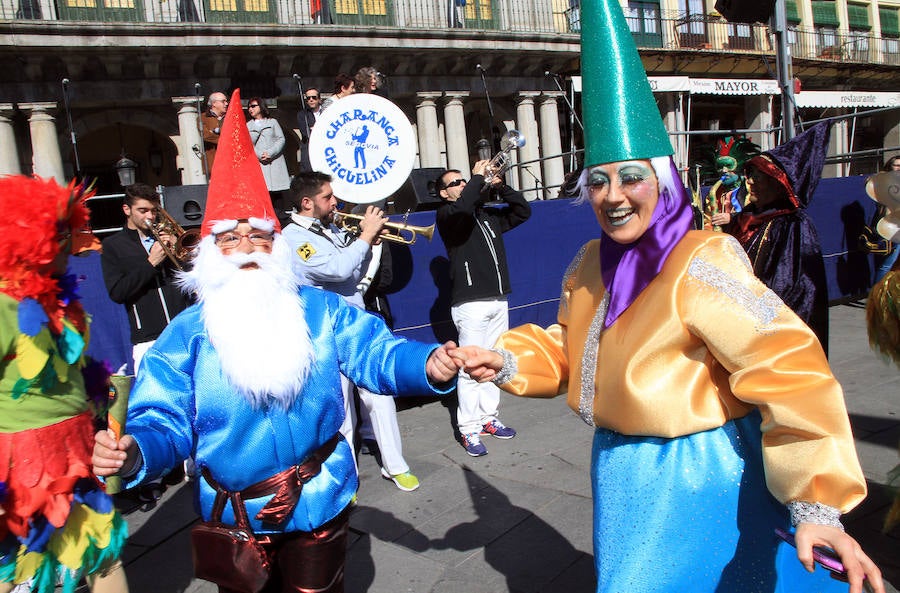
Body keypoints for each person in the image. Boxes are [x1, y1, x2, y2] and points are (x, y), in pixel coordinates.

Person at [453, 1, 885, 591]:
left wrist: (817, 503)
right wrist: (505, 359)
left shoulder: (700, 259)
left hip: (696, 474)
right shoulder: (589, 263)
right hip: (620, 470)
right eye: (599, 180)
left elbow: (787, 365)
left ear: (663, 181)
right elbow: (571, 350)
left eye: (630, 176)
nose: (613, 195)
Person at [91, 90, 460, 593]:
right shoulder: (187, 332)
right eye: (230, 238)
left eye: (259, 237)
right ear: (212, 251)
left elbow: (377, 353)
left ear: (276, 245)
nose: (246, 248)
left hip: (319, 502)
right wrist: (136, 453)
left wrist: (431, 363)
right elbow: (162, 418)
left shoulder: (320, 309)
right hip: (235, 518)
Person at [0, 176, 128, 593]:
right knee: (23, 566)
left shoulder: (59, 302)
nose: (61, 242)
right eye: (50, 231)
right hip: (24, 462)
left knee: (102, 552)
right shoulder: (3, 303)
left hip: (75, 450)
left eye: (64, 230)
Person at [282, 172, 422, 492]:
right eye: (328, 197)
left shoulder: (330, 228)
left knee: (380, 396)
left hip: (357, 323)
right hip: (327, 330)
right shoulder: (293, 239)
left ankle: (395, 466)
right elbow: (336, 269)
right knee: (342, 411)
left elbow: (354, 272)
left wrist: (369, 243)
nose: (335, 202)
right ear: (307, 203)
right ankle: (346, 478)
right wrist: (364, 237)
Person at [435, 160, 531, 456]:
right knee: (469, 369)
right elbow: (463, 208)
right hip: (470, 303)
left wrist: (502, 186)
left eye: (464, 180)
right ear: (443, 193)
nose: (463, 184)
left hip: (498, 298)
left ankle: (489, 418)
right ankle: (469, 430)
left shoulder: (486, 215)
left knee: (493, 362)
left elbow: (523, 212)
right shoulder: (448, 215)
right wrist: (478, 177)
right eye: (455, 183)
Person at [713, 122, 832, 353]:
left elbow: (794, 287)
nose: (749, 182)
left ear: (779, 185)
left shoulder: (794, 226)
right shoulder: (753, 216)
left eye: (759, 177)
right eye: (750, 175)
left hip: (772, 333)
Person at [100, 183, 191, 374]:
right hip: (149, 339)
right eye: (142, 210)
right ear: (127, 210)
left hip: (184, 332)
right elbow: (117, 292)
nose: (150, 216)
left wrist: (180, 251)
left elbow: (192, 280)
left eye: (153, 210)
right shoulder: (113, 245)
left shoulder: (168, 237)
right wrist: (151, 264)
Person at [246, 97, 291, 212]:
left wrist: (271, 152)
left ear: (261, 107)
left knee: (277, 194)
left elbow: (281, 139)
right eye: (249, 107)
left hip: (274, 161)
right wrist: (259, 155)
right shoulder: (247, 126)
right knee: (262, 194)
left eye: (253, 106)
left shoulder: (272, 122)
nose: (250, 109)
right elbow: (247, 144)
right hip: (259, 163)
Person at [872, 155, 900, 282]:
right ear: (890, 166)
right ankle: (877, 296)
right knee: (887, 265)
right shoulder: (885, 183)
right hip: (891, 228)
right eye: (897, 165)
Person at [201, 91, 228, 175]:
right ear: (214, 104)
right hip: (212, 164)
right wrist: (226, 140)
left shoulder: (230, 117)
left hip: (229, 163)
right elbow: (205, 135)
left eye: (226, 101)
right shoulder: (203, 118)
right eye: (223, 101)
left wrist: (213, 132)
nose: (226, 104)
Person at [297, 87, 323, 173]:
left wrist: (314, 128)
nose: (311, 100)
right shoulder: (302, 115)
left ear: (319, 99)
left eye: (314, 97)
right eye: (308, 98)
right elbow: (305, 132)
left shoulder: (326, 112)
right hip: (309, 149)